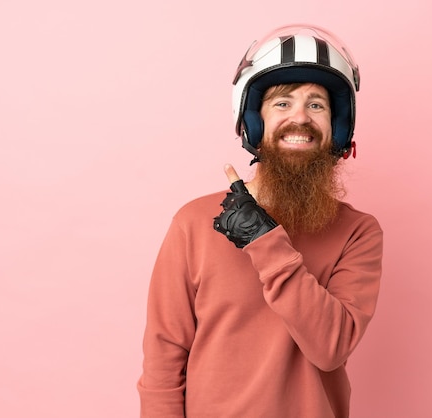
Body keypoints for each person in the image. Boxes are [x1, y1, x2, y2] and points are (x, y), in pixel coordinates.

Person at [137, 24, 383, 418]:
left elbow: (330, 347)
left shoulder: (359, 232)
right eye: (282, 104)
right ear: (252, 121)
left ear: (338, 129)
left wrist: (265, 241)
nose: (299, 118)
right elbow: (163, 361)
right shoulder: (194, 222)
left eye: (316, 105)